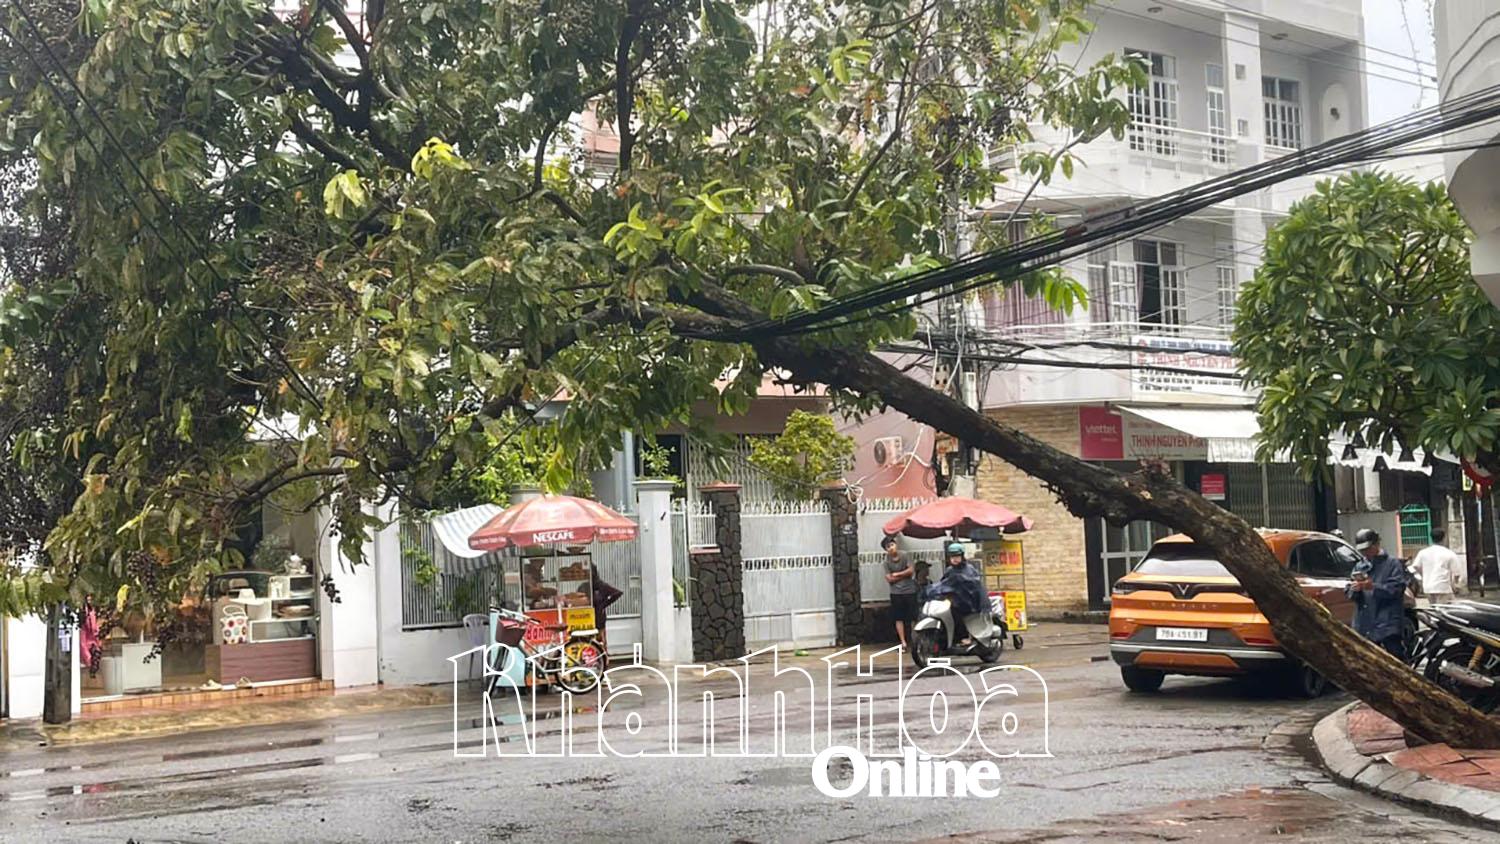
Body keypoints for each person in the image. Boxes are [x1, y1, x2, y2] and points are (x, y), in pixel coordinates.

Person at [1346, 529, 1409, 659]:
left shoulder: (1392, 564)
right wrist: (1354, 589)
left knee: (1395, 658)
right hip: (1364, 623)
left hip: (1387, 623)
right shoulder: (1359, 566)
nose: (1365, 553)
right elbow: (1349, 591)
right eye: (1362, 550)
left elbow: (1396, 589)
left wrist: (1373, 587)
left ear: (1376, 545)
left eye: (1368, 549)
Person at [924, 541, 987, 646]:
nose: (954, 559)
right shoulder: (949, 570)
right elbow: (943, 583)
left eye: (957, 556)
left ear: (962, 556)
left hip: (969, 602)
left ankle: (965, 636)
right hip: (954, 600)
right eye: (952, 556)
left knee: (956, 614)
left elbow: (974, 585)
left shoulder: (969, 570)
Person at [1409, 527, 1466, 606]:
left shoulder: (1423, 553)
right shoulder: (1449, 553)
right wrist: (1455, 585)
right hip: (1443, 587)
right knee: (1445, 610)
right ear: (1444, 538)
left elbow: (1415, 567)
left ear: (1431, 538)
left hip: (1428, 587)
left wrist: (1422, 577)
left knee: (1433, 608)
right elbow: (1456, 573)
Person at [882, 536, 917, 649]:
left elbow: (911, 571)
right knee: (898, 618)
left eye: (892, 545)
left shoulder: (905, 555)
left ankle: (915, 640)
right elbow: (888, 579)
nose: (891, 548)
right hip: (896, 593)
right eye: (888, 547)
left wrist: (896, 574)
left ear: (896, 545)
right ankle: (903, 642)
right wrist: (903, 574)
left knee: (913, 617)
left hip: (910, 590)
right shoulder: (886, 562)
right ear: (886, 549)